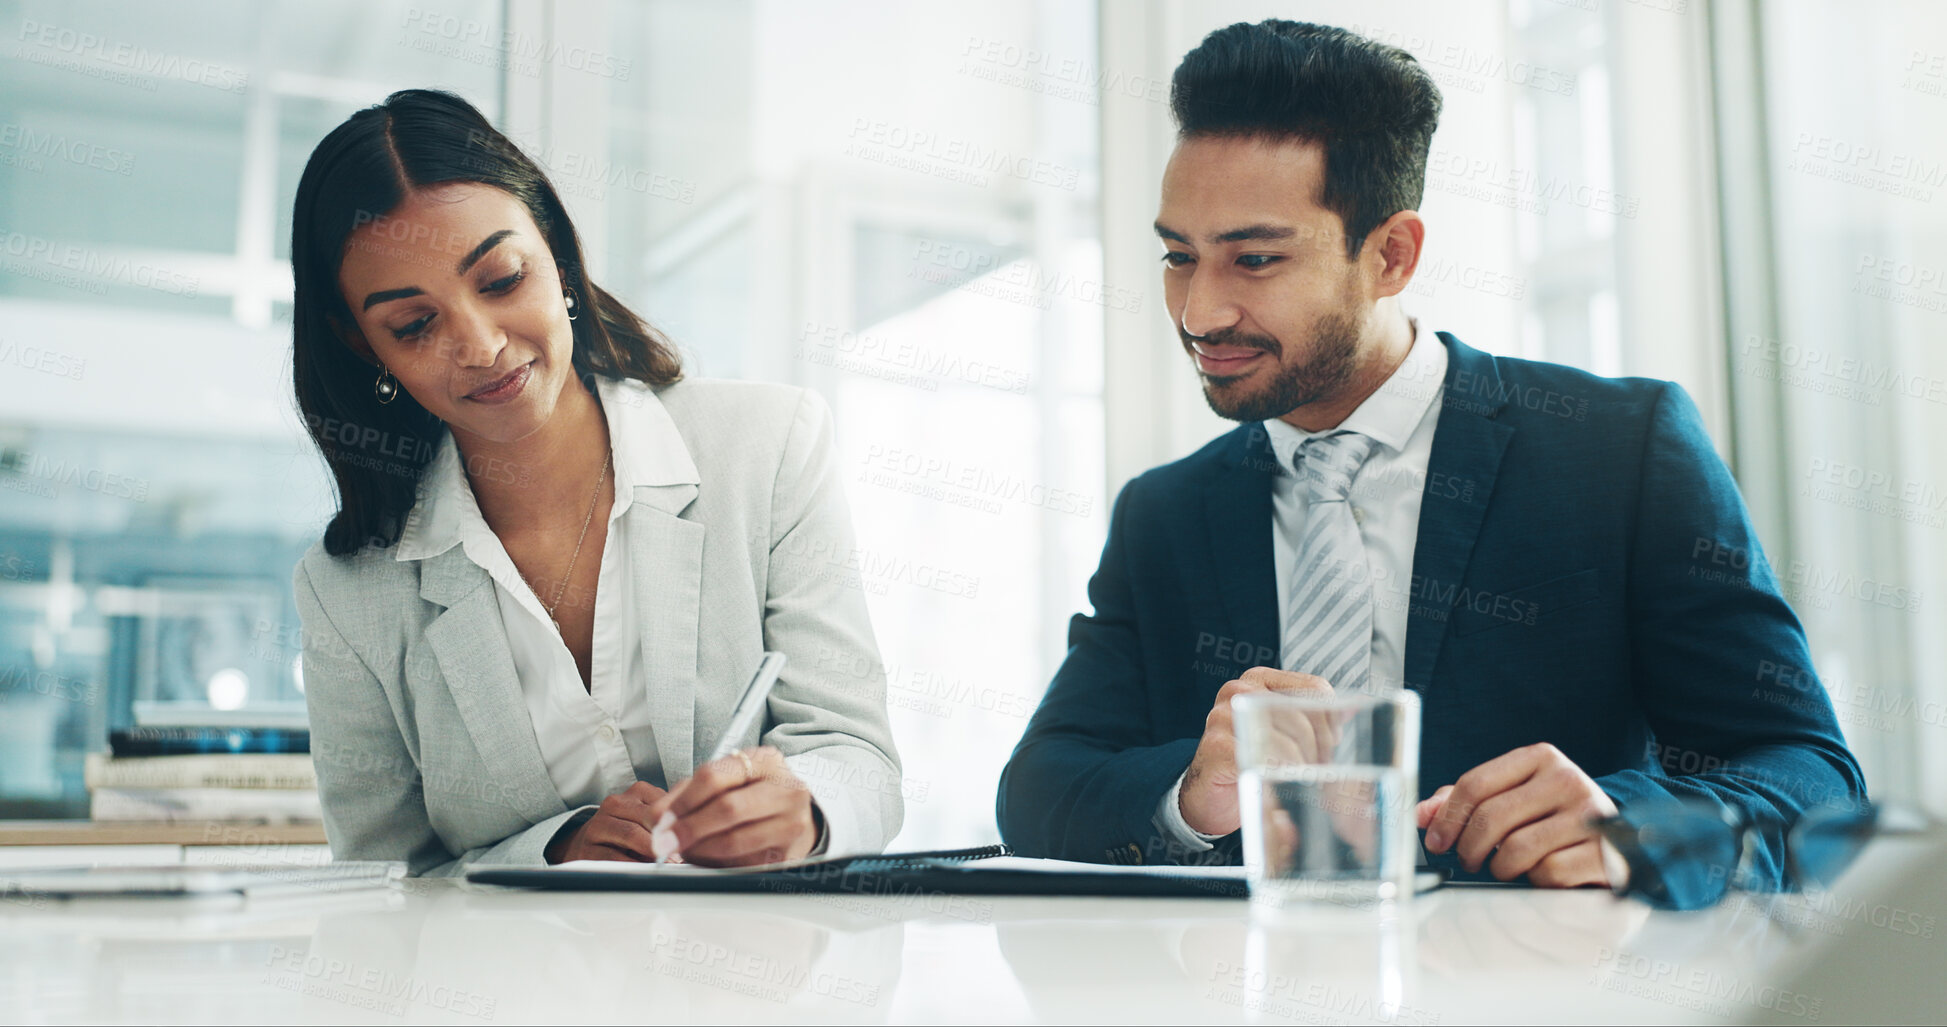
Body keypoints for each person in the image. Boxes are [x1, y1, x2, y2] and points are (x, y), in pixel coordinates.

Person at [997, 21, 1864, 886]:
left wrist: (1632, 825)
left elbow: (1811, 779)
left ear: (1390, 255)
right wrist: (1190, 794)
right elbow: (1039, 791)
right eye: (1178, 257)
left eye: (1253, 259)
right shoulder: (1164, 514)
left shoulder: (1617, 451)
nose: (1198, 313)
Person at [289, 89, 900, 876]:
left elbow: (859, 758)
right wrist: (550, 850)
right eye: (414, 325)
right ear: (366, 346)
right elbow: (382, 875)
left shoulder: (767, 448)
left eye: (502, 279)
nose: (479, 346)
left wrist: (809, 808)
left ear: (559, 255)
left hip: (760, 985)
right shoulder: (348, 594)